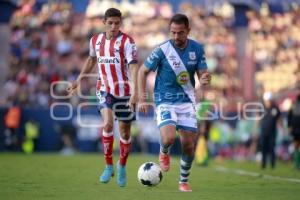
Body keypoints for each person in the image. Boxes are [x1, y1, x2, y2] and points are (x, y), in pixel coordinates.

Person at [138, 13, 211, 192]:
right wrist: (142, 97)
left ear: (188, 31)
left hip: (187, 101)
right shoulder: (162, 50)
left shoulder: (197, 49)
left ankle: (183, 182)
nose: (176, 37)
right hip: (165, 100)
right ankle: (164, 151)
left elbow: (203, 74)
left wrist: (206, 78)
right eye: (173, 33)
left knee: (188, 144)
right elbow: (142, 71)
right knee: (169, 137)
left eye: (180, 33)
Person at [67, 8, 138, 187]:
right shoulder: (95, 40)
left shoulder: (127, 42)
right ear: (104, 22)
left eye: (117, 23)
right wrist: (79, 79)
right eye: (110, 23)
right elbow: (91, 60)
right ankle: (108, 166)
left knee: (124, 132)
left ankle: (121, 165)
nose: (114, 26)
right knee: (107, 124)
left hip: (125, 92)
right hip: (104, 88)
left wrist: (136, 92)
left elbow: (133, 67)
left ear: (120, 23)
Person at [260, 92, 281, 169]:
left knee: (272, 147)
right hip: (263, 130)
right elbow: (258, 118)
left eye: (269, 100)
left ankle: (272, 164)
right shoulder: (262, 108)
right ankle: (263, 163)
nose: (267, 102)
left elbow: (279, 118)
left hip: (272, 131)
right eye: (266, 100)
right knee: (263, 147)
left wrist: (283, 128)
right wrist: (255, 129)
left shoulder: (275, 108)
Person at [288, 86, 300, 169]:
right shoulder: (293, 105)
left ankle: (297, 163)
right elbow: (289, 116)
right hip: (295, 128)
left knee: (297, 145)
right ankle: (296, 163)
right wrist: (289, 126)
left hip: (297, 127)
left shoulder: (293, 105)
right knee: (296, 145)